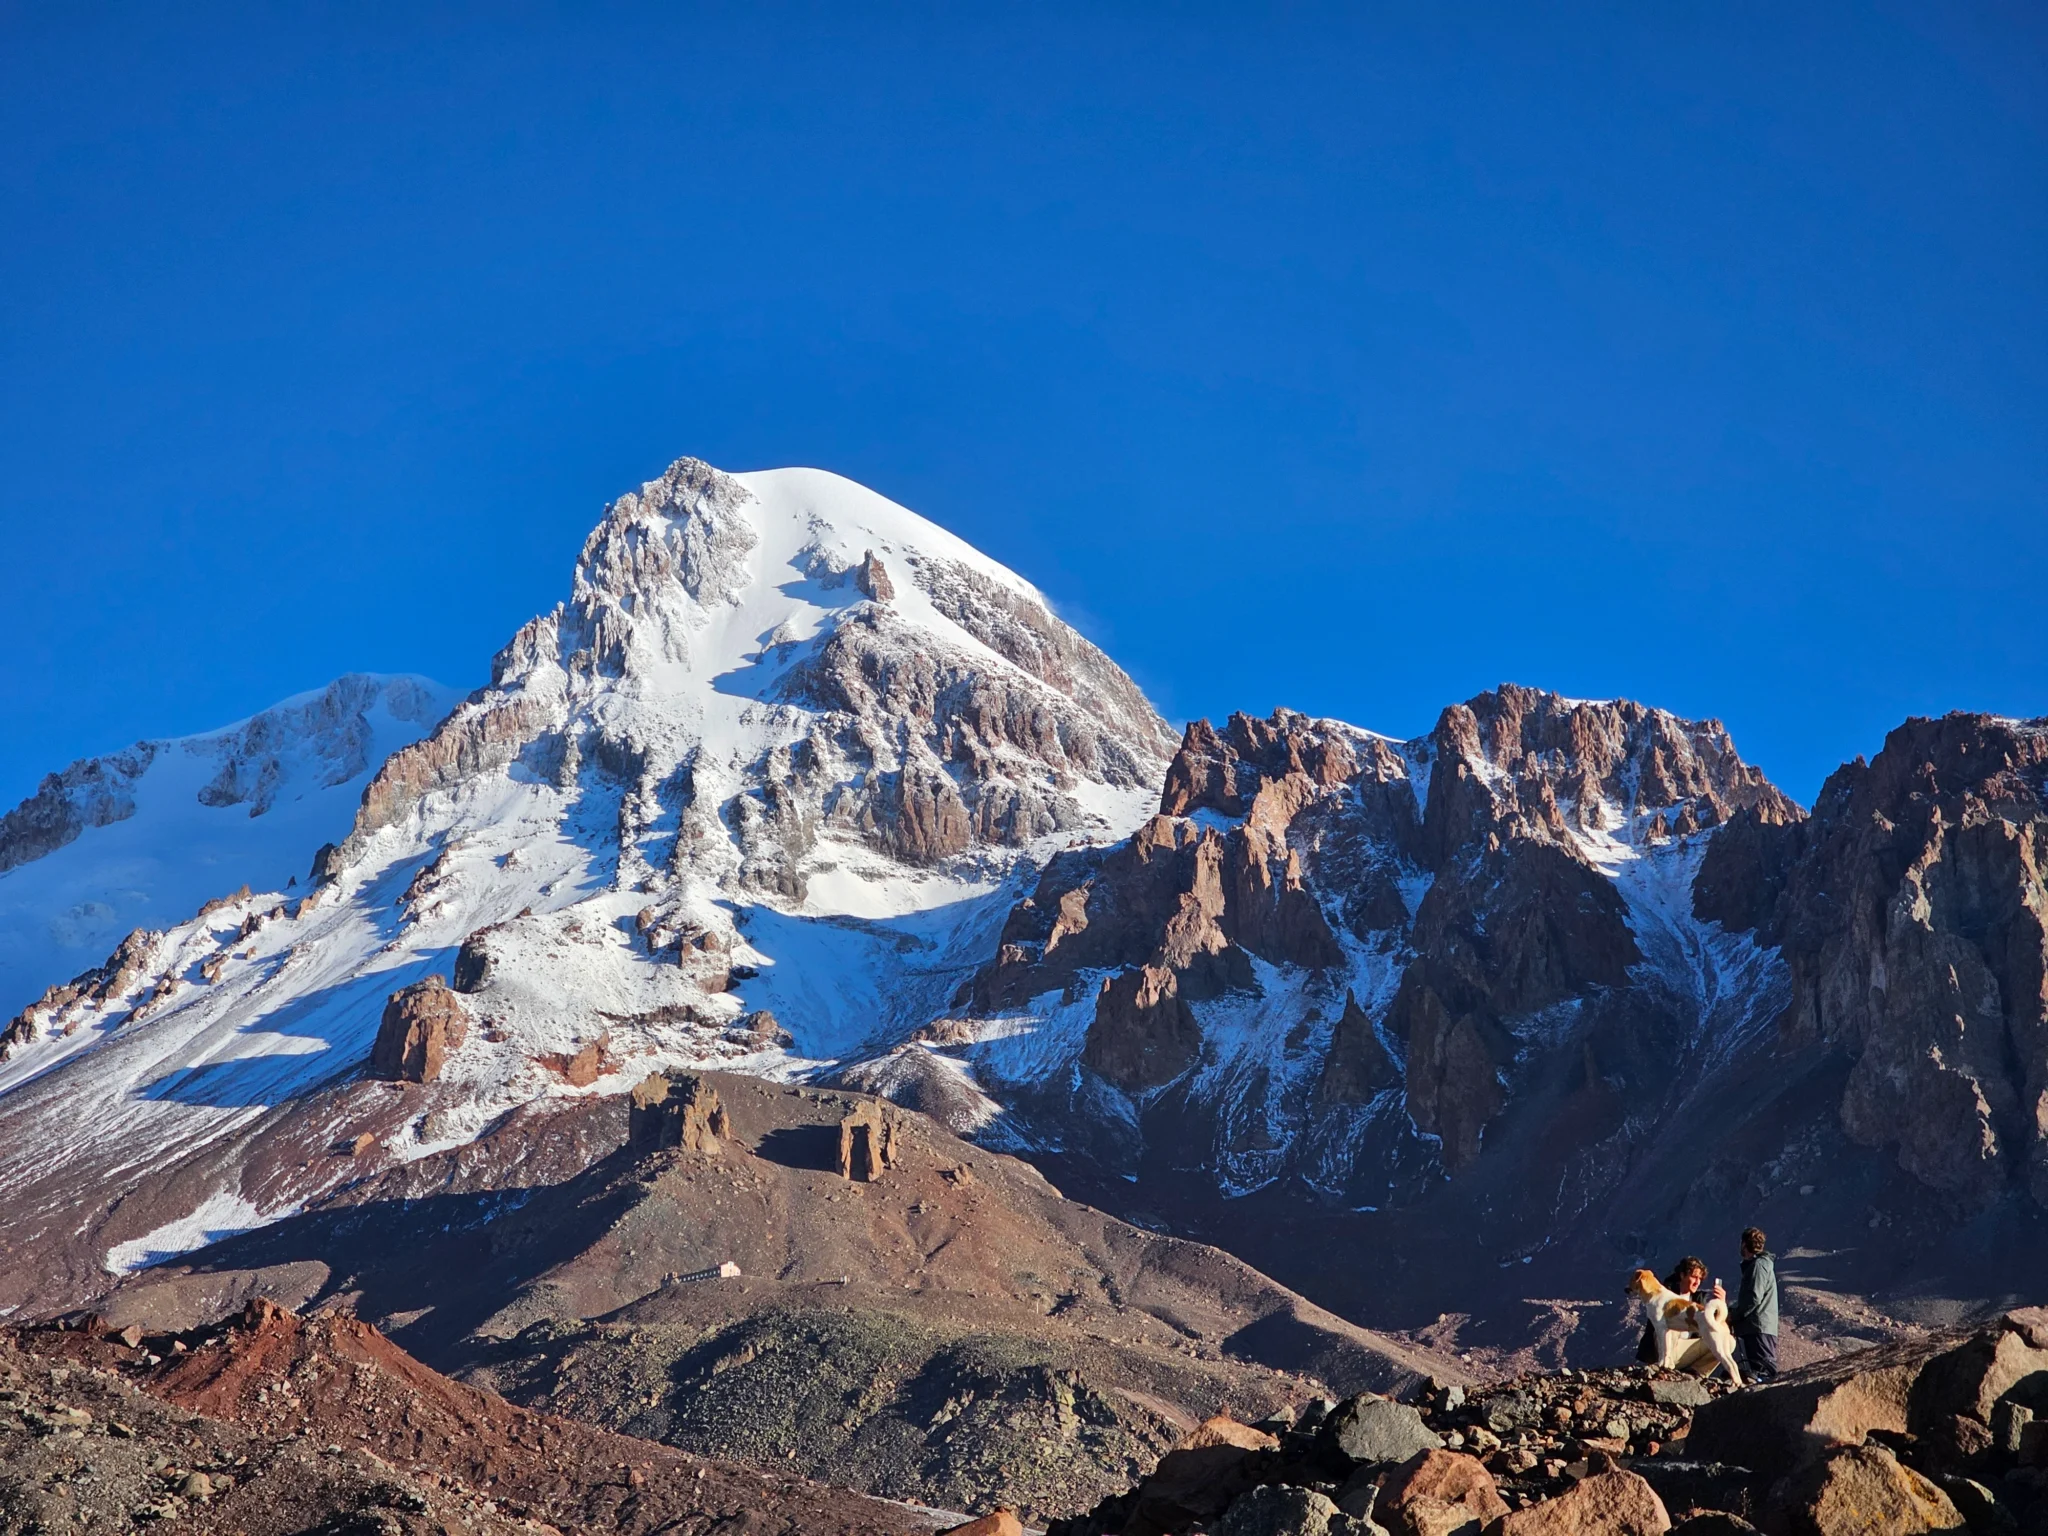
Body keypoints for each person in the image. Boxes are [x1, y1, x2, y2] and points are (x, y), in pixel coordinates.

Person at [1635, 1256, 1725, 1365]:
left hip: (1686, 1348)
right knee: (1670, 1328)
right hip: (1664, 1348)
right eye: (1694, 1277)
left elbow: (1715, 1323)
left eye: (1700, 1279)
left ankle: (1696, 1373)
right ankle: (1666, 1364)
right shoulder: (1664, 1296)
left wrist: (1721, 1304)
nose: (1697, 1282)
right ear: (1682, 1275)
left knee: (1724, 1341)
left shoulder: (1699, 1299)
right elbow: (1658, 1326)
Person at [1729, 1226, 1779, 1382]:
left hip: (1758, 1327)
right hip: (1759, 1326)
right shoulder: (1762, 1265)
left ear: (1744, 1244)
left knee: (1764, 1370)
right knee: (1758, 1370)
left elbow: (1753, 1298)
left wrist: (1733, 1315)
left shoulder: (1758, 1266)